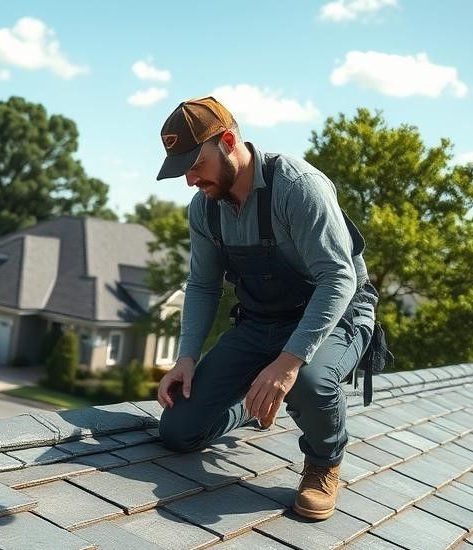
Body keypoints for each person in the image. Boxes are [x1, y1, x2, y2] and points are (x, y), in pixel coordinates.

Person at [154, 96, 380, 520]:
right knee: (178, 430)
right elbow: (202, 285)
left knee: (310, 383)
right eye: (182, 169)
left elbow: (339, 278)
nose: (189, 180)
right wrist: (186, 357)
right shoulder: (204, 208)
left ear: (227, 141)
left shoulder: (296, 187)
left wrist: (289, 364)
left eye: (195, 164)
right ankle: (251, 405)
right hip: (263, 320)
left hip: (337, 313)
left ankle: (323, 463)